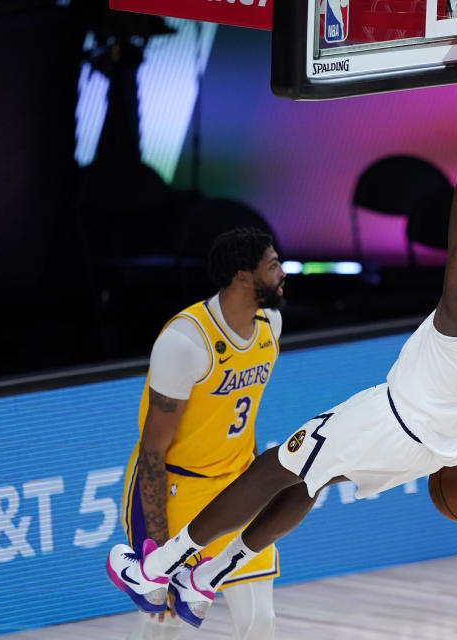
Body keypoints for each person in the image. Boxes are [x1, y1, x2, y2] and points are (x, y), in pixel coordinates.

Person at [107, 15, 457, 628]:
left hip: (392, 419)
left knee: (276, 466)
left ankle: (161, 564)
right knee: (310, 483)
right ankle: (209, 577)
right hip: (445, 446)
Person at [111, 227, 286, 640]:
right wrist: (159, 550)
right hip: (178, 491)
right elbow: (153, 452)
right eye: (273, 265)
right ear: (243, 276)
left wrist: (255, 484)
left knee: (261, 620)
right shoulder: (184, 342)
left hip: (237, 487)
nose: (283, 273)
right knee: (164, 626)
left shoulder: (271, 324)